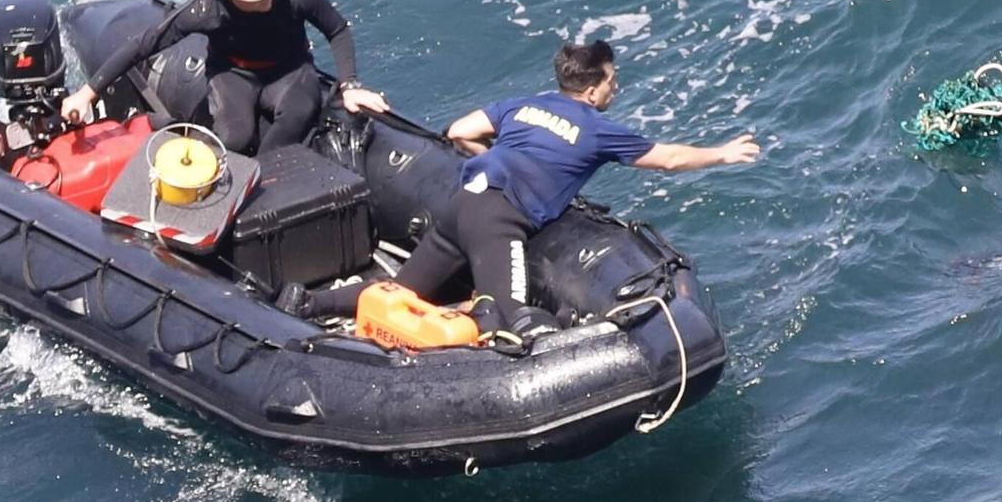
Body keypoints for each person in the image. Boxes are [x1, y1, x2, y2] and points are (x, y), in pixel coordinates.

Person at [279, 39, 760, 337]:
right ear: (592, 90)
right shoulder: (596, 128)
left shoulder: (524, 105)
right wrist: (722, 153)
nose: (616, 88)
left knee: (404, 289)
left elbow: (457, 131)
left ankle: (308, 301)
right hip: (499, 222)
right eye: (613, 80)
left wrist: (495, 159)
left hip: (462, 205)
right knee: (509, 314)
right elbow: (669, 159)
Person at [60, 0, 387, 153]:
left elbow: (337, 29)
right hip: (233, 72)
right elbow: (146, 44)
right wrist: (88, 92)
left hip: (290, 70)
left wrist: (350, 85)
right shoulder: (206, 9)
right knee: (235, 139)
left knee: (294, 120)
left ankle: (269, 185)